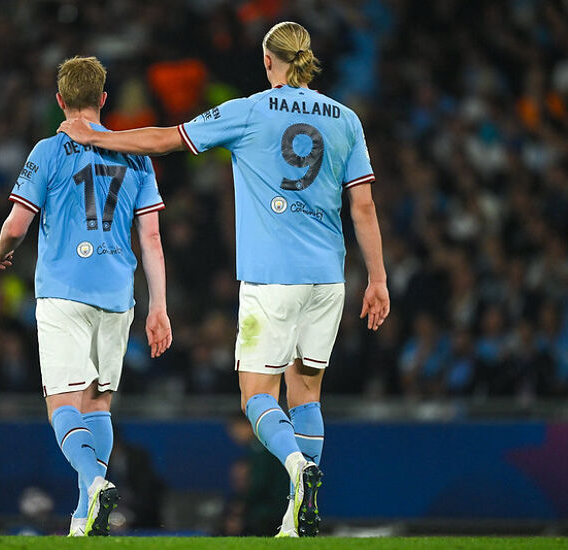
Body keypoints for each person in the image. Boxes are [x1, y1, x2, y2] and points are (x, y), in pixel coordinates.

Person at [58, 22, 390, 537]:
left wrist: (98, 136)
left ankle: (299, 469)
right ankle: (298, 515)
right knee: (307, 395)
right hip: (328, 280)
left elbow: (166, 139)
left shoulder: (249, 110)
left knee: (256, 395)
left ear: (267, 61)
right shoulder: (346, 119)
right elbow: (363, 205)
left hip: (270, 281)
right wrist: (378, 279)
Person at [0, 56, 172, 537]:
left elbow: (16, 225)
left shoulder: (48, 151)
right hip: (118, 296)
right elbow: (150, 239)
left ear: (60, 101)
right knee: (98, 406)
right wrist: (159, 307)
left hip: (63, 294)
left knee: (63, 405)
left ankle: (95, 483)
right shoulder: (136, 153)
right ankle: (81, 516)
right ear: (104, 100)